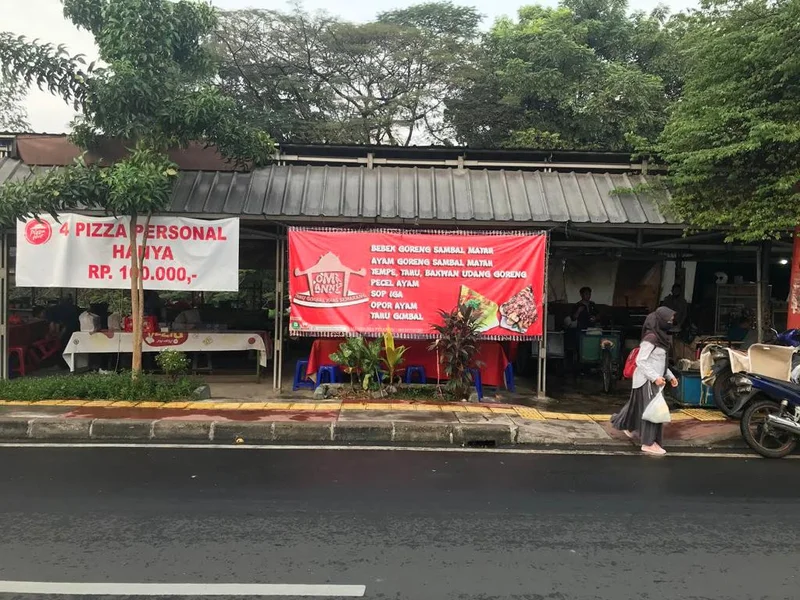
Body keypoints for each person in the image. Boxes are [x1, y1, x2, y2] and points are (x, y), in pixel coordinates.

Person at [611, 306, 679, 456]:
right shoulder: (651, 339)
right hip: (646, 380)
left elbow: (661, 362)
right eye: (669, 320)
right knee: (652, 411)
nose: (671, 322)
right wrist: (655, 378)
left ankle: (628, 427)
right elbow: (641, 361)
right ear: (660, 321)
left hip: (651, 379)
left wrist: (670, 376)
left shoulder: (661, 338)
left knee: (637, 407)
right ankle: (648, 443)